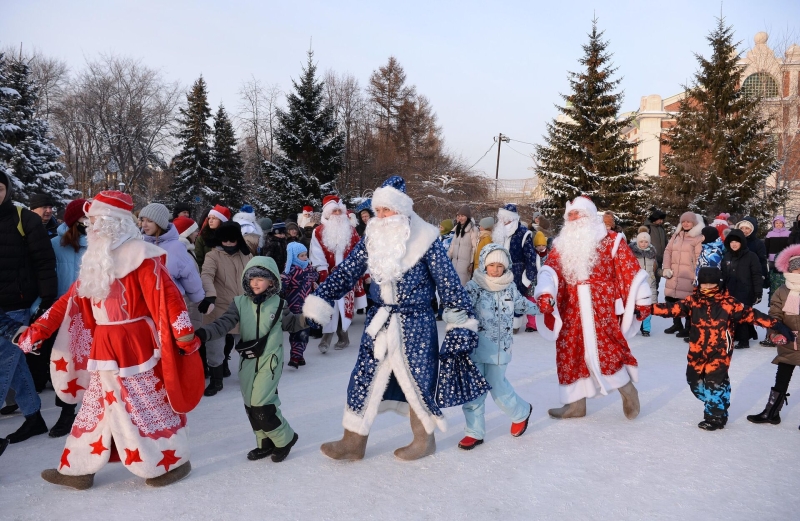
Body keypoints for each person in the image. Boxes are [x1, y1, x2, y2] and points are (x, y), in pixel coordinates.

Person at [18, 190, 204, 489]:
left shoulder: (141, 256)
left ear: (115, 223)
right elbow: (68, 301)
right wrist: (37, 331)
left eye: (97, 221)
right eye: (90, 222)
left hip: (134, 344)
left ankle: (171, 462)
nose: (92, 228)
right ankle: (77, 469)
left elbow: (170, 297)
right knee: (98, 405)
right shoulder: (97, 260)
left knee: (143, 405)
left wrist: (183, 335)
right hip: (104, 343)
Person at [304, 176, 488, 461]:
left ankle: (424, 440)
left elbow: (448, 282)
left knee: (417, 380)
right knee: (363, 377)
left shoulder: (426, 239)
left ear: (401, 210)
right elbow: (347, 271)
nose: (380, 217)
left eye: (385, 211)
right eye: (377, 211)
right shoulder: (372, 238)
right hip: (379, 320)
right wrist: (323, 297)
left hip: (415, 322)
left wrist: (461, 319)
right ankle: (352, 441)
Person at [533, 196, 651, 420]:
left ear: (590, 216)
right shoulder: (562, 245)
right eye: (570, 217)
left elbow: (630, 270)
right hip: (571, 306)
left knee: (608, 349)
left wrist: (642, 300)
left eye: (579, 215)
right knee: (569, 352)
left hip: (602, 305)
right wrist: (546, 292)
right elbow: (549, 270)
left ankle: (628, 391)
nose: (574, 220)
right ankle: (575, 405)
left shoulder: (612, 241)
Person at [196, 256, 307, 462]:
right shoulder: (239, 303)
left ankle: (285, 438)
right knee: (249, 403)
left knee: (261, 403)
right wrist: (203, 333)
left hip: (270, 360)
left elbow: (292, 324)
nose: (255, 282)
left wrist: (309, 315)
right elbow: (224, 323)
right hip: (247, 360)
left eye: (261, 278)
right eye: (252, 278)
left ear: (272, 281)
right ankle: (264, 442)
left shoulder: (279, 304)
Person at [653, 267, 787, 431]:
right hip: (696, 351)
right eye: (704, 285)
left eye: (712, 285)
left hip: (720, 351)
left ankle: (716, 417)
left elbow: (754, 315)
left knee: (714, 383)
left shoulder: (729, 303)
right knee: (693, 381)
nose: (708, 288)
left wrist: (776, 324)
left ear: (719, 284)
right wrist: (648, 309)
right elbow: (671, 309)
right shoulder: (693, 301)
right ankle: (720, 398)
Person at [458, 244, 535, 450]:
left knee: (498, 387)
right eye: (491, 264)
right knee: (474, 392)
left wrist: (541, 307)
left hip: (500, 349)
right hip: (475, 348)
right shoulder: (474, 287)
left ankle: (521, 412)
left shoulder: (509, 286)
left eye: (499, 265)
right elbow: (461, 307)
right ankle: (474, 432)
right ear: (484, 264)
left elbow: (521, 304)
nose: (495, 269)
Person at [0, 172, 56, 440]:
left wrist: (47, 301)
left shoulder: (25, 219)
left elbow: (45, 263)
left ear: (8, 190)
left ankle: (33, 419)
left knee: (3, 362)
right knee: (14, 365)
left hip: (14, 307)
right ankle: (34, 417)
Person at [42, 198, 88, 438]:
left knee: (94, 364)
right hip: (63, 313)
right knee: (66, 364)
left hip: (93, 314)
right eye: (84, 218)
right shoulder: (54, 244)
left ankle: (95, 410)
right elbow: (45, 277)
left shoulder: (100, 245)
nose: (89, 223)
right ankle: (66, 413)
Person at [748, 245, 800, 426]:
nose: (798, 272)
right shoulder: (783, 291)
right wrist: (776, 331)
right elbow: (775, 314)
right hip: (788, 341)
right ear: (789, 269)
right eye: (795, 268)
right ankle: (771, 412)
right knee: (782, 378)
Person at [199, 221, 252, 395]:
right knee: (216, 346)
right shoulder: (213, 256)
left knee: (246, 344)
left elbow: (254, 274)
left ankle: (248, 377)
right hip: (219, 307)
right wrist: (210, 295)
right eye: (225, 240)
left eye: (232, 240)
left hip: (243, 307)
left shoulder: (246, 255)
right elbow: (206, 275)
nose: (228, 244)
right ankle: (216, 380)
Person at [308, 195, 366, 353]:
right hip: (329, 276)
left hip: (347, 276)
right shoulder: (318, 231)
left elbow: (359, 251)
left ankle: (343, 336)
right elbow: (316, 253)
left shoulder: (351, 230)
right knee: (329, 306)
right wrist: (323, 271)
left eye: (340, 211)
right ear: (327, 212)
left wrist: (357, 270)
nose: (338, 214)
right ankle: (326, 337)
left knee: (343, 307)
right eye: (334, 211)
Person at [139, 203, 205, 305]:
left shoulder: (176, 247)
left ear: (159, 223)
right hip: (145, 305)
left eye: (149, 221)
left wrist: (199, 298)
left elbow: (189, 274)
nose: (144, 224)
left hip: (171, 304)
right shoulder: (140, 245)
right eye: (142, 220)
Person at [492, 204, 537, 333]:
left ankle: (514, 325)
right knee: (499, 297)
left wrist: (528, 277)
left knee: (515, 297)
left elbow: (530, 257)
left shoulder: (524, 233)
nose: (503, 221)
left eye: (505, 219)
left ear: (512, 218)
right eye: (501, 219)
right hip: (499, 271)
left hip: (517, 271)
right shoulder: (498, 233)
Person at [662, 212, 704, 337]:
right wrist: (666, 267)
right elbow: (667, 251)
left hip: (688, 275)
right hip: (674, 274)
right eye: (683, 221)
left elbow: (698, 258)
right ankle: (677, 323)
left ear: (694, 223)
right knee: (672, 299)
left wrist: (697, 275)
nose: (685, 224)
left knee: (686, 301)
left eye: (688, 222)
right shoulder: (676, 236)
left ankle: (688, 326)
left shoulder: (698, 238)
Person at [722, 229, 763, 349]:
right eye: (731, 242)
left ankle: (744, 341)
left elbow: (756, 275)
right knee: (731, 315)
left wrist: (758, 292)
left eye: (737, 242)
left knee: (743, 315)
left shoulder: (751, 256)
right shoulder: (727, 256)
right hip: (730, 290)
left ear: (742, 243)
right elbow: (723, 275)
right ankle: (738, 336)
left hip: (746, 291)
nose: (734, 244)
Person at [281, 242, 318, 368]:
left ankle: (298, 355)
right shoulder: (289, 270)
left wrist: (314, 275)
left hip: (307, 305)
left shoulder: (308, 268)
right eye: (301, 256)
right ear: (293, 257)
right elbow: (282, 286)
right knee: (296, 331)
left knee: (304, 331)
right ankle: (296, 355)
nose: (305, 258)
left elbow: (314, 277)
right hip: (294, 305)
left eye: (305, 255)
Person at [629, 232, 658, 337]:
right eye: (641, 241)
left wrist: (662, 272)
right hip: (637, 285)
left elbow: (655, 269)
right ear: (637, 242)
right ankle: (633, 327)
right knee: (635, 307)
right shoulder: (632, 254)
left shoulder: (652, 254)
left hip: (650, 283)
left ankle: (646, 328)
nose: (643, 244)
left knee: (648, 307)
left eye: (646, 242)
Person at [447, 205, 480, 286]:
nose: (460, 218)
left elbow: (474, 248)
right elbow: (452, 246)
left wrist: (472, 263)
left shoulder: (473, 230)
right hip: (454, 263)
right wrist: (446, 258)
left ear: (467, 217)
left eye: (462, 216)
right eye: (459, 216)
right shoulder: (457, 229)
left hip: (465, 265)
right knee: (453, 285)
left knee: (463, 286)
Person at [524, 231, 549, 333]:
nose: (541, 247)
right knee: (531, 303)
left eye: (543, 245)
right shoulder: (532, 255)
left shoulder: (548, 256)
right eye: (538, 245)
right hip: (532, 283)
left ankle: (544, 323)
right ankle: (531, 324)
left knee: (544, 304)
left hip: (543, 284)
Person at [737, 217, 768, 293]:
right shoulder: (734, 241)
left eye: (747, 228)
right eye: (741, 228)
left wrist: (762, 276)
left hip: (751, 277)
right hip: (736, 276)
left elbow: (762, 260)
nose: (744, 231)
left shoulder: (758, 243)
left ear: (752, 229)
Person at [194, 204, 231, 270]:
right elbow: (198, 261)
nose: (210, 221)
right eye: (209, 218)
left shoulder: (231, 239)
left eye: (214, 218)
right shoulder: (202, 238)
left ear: (222, 221)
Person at [643, 209, 668, 287]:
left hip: (660, 260)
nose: (661, 221)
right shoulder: (647, 228)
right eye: (660, 219)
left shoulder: (661, 229)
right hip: (650, 260)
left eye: (662, 220)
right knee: (648, 282)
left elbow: (665, 242)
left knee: (657, 282)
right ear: (655, 219)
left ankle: (655, 298)